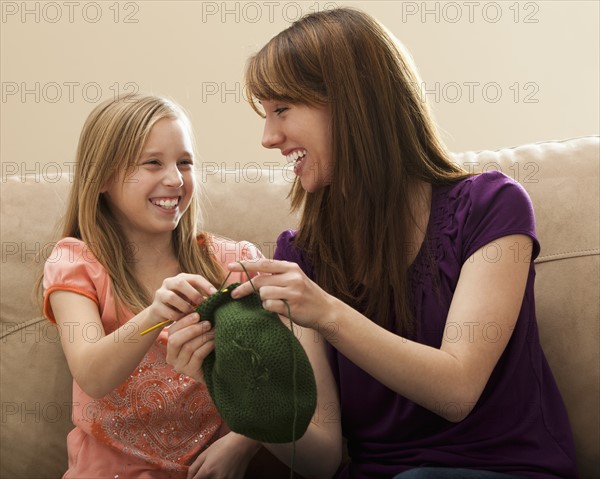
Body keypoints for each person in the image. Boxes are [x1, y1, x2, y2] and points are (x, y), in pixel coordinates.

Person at [200, 7, 577, 479]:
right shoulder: (303, 256)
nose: (268, 137)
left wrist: (327, 312)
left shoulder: (491, 207)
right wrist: (230, 382)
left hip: (505, 469)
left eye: (282, 109)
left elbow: (457, 390)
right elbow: (320, 460)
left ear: (352, 102)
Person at [40, 94, 265, 478]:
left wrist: (242, 441)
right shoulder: (75, 263)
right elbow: (92, 374)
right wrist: (155, 314)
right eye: (152, 163)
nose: (175, 179)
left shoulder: (233, 264)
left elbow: (277, 378)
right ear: (103, 179)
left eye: (185, 162)